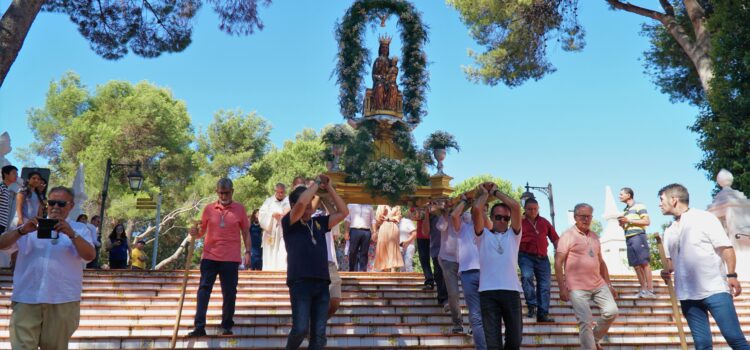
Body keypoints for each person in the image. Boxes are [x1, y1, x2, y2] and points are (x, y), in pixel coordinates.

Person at [0, 186, 95, 350]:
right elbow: (2, 243)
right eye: (52, 202)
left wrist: (72, 234)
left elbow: (90, 255)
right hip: (26, 299)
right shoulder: (30, 227)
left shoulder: (80, 229)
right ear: (47, 204)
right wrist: (22, 231)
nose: (56, 207)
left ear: (71, 206)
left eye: (61, 203)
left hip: (63, 300)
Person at [658, 183, 749, 349]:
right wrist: (666, 270)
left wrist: (732, 275)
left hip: (714, 290)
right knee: (702, 345)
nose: (659, 203)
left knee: (734, 338)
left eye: (661, 199)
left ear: (674, 200)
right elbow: (671, 264)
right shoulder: (669, 231)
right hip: (687, 295)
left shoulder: (704, 218)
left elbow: (726, 248)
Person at [282, 174, 348, 349]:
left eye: (311, 206)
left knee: (318, 336)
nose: (308, 210)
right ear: (294, 207)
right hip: (300, 282)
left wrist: (329, 188)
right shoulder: (289, 223)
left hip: (321, 282)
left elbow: (343, 213)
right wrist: (316, 184)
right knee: (300, 329)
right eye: (305, 207)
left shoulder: (318, 223)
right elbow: (301, 203)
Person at [187, 178, 251, 337]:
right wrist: (195, 233)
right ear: (217, 192)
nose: (224, 196)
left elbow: (246, 232)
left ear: (232, 191)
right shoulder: (208, 209)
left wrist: (248, 252)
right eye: (221, 193)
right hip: (209, 256)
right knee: (203, 290)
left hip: (231, 257)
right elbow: (201, 232)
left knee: (230, 293)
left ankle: (227, 325)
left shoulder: (240, 209)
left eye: (227, 193)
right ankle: (199, 326)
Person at [555, 203, 619, 350]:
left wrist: (609, 284)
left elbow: (601, 261)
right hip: (577, 287)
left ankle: (594, 339)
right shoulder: (567, 236)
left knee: (612, 311)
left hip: (598, 283)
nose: (586, 219)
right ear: (575, 217)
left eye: (589, 216)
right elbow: (558, 263)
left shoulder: (595, 236)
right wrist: (562, 288)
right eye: (582, 216)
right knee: (585, 321)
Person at [471, 183, 524, 349]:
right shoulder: (482, 235)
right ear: (492, 218)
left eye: (506, 218)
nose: (502, 221)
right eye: (498, 217)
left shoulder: (514, 235)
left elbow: (515, 206)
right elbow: (477, 210)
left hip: (511, 291)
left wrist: (496, 191)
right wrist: (485, 194)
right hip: (488, 293)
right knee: (493, 343)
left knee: (515, 340)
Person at [452, 194, 487, 349]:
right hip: (467, 273)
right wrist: (465, 201)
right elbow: (454, 215)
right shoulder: (463, 228)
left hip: (487, 273)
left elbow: (487, 221)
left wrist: (481, 206)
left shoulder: (488, 228)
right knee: (475, 316)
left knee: (489, 314)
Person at [519, 198, 559, 322]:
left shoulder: (544, 222)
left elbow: (555, 238)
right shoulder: (519, 221)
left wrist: (561, 252)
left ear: (538, 209)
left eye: (535, 209)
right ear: (525, 209)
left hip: (543, 258)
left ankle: (543, 314)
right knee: (526, 277)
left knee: (545, 285)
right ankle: (531, 306)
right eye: (529, 209)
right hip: (525, 256)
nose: (532, 211)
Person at [617, 187, 654, 298]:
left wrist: (628, 220)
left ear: (629, 195)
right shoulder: (624, 211)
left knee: (644, 263)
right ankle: (643, 289)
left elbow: (647, 221)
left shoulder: (639, 205)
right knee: (636, 265)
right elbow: (625, 225)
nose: (619, 196)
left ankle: (650, 290)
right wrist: (622, 223)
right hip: (628, 238)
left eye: (621, 194)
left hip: (638, 236)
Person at [437, 201, 463, 334]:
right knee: (453, 294)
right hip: (448, 259)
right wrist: (446, 213)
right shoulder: (444, 218)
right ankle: (457, 322)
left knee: (472, 294)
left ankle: (475, 322)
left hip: (466, 260)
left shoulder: (467, 217)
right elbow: (441, 227)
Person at [259, 183, 290, 271]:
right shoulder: (268, 201)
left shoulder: (288, 201)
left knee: (283, 251)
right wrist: (272, 215)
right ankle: (270, 270)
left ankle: (282, 270)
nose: (280, 194)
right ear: (275, 191)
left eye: (282, 192)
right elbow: (261, 215)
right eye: (278, 192)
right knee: (270, 253)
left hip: (283, 231)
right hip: (271, 230)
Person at [344, 203, 374, 272]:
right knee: (352, 251)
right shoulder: (350, 205)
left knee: (364, 252)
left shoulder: (370, 206)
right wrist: (346, 231)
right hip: (354, 230)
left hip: (366, 231)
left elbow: (373, 220)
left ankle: (363, 270)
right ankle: (352, 270)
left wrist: (374, 232)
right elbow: (347, 219)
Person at [373, 204, 403, 272]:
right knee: (383, 247)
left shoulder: (397, 206)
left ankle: (393, 269)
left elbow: (399, 217)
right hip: (384, 227)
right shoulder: (381, 205)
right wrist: (383, 212)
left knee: (393, 247)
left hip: (394, 228)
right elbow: (378, 219)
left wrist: (389, 218)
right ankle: (384, 269)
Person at [414, 206, 434, 289]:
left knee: (436, 259)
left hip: (434, 235)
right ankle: (429, 280)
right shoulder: (416, 205)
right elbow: (411, 215)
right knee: (423, 259)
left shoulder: (434, 205)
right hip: (421, 236)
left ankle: (439, 281)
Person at [0, 165, 18, 233]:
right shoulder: (2, 187)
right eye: (14, 173)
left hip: (2, 224)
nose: (16, 176)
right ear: (6, 174)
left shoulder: (6, 189)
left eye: (17, 174)